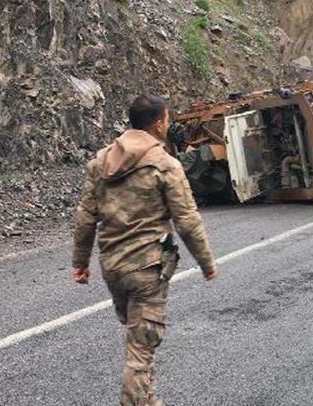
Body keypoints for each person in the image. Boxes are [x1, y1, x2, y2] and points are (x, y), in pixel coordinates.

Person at [71, 95, 220, 406]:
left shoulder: (99, 163)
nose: (168, 125)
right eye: (167, 120)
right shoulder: (165, 165)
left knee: (139, 338)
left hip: (112, 267)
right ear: (158, 124)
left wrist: (80, 263)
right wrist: (206, 262)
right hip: (148, 268)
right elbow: (187, 220)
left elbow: (85, 218)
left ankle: (149, 400)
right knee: (140, 351)